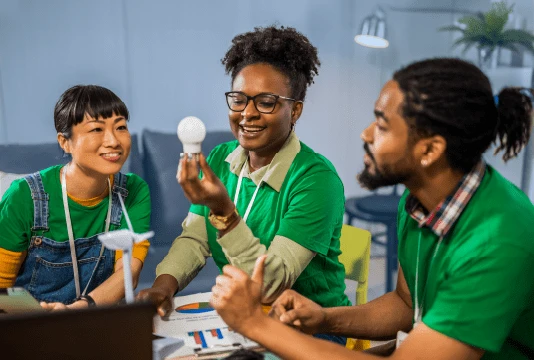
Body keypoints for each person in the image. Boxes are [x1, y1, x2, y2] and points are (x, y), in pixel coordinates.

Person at [209, 58, 534, 360]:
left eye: (381, 125)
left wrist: (255, 323)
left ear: (430, 149)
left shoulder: (497, 239)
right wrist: (324, 319)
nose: (365, 134)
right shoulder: (420, 202)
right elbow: (406, 305)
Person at [137, 25, 351, 343]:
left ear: (295, 110)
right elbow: (195, 238)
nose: (246, 114)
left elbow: (271, 285)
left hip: (308, 330)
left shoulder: (316, 180)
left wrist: (225, 213)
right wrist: (162, 287)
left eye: (266, 102)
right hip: (240, 319)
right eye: (238, 99)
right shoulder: (223, 157)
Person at [0, 85, 151, 310]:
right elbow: (2, 289)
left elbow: (128, 273)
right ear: (65, 142)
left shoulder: (134, 190)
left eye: (120, 127)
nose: (113, 141)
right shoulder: (23, 196)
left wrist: (75, 312)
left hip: (100, 319)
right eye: (96, 129)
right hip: (31, 325)